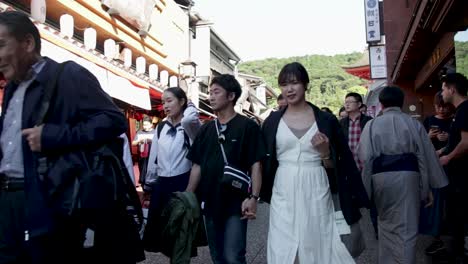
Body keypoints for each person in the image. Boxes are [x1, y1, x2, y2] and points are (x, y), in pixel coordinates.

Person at [0, 11, 128, 264]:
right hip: (8, 200)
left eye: (1, 45)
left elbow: (113, 120)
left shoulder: (67, 76)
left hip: (49, 202)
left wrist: (53, 136)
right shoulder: (13, 86)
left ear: (27, 43)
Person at [261, 62, 369, 263]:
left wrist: (325, 153)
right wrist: (253, 195)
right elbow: (261, 160)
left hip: (316, 185)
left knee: (316, 241)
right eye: (284, 84)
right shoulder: (273, 121)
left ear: (306, 84)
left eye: (294, 83)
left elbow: (341, 163)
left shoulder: (326, 120)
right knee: (283, 245)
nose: (289, 89)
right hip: (283, 187)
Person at [358, 86, 448, 264]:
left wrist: (365, 189)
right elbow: (425, 155)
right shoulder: (413, 123)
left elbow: (365, 157)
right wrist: (428, 186)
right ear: (402, 103)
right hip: (409, 178)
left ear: (381, 104)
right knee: (407, 228)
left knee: (384, 224)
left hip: (380, 179)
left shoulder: (371, 125)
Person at [186, 74, 266, 264]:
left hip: (236, 202)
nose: (210, 97)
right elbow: (197, 164)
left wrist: (254, 197)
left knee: (233, 256)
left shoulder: (248, 126)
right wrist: (188, 195)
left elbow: (256, 164)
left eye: (216, 92)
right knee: (218, 256)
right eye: (209, 92)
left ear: (231, 96)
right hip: (211, 202)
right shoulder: (206, 129)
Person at [143, 87, 201, 253]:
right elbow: (154, 157)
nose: (165, 106)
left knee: (181, 234)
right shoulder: (161, 127)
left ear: (181, 101)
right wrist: (149, 184)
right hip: (162, 184)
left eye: (170, 101)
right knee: (164, 237)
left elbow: (189, 120)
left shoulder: (190, 125)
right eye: (163, 102)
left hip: (182, 182)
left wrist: (190, 105)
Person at [420, 91, 454, 257]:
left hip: (451, 165)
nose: (441, 110)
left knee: (451, 202)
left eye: (444, 106)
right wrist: (428, 136)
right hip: (434, 167)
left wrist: (448, 139)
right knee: (436, 202)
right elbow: (420, 144)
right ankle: (436, 236)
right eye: (438, 106)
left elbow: (459, 141)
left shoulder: (454, 120)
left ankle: (451, 235)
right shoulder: (428, 121)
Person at [439, 73, 468, 262]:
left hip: (463, 175)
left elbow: (466, 142)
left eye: (443, 89)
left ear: (452, 89)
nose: (442, 93)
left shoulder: (465, 109)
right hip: (458, 174)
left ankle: (460, 254)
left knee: (461, 214)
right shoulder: (460, 111)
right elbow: (457, 140)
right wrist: (440, 151)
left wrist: (448, 157)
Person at [132, 116, 155, 185]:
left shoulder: (155, 132)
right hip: (142, 156)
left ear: (151, 124)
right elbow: (133, 143)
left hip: (152, 156)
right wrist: (139, 140)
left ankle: (150, 186)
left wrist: (151, 141)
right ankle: (143, 186)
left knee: (151, 171)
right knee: (142, 172)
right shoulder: (140, 132)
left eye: (147, 124)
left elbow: (160, 143)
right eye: (144, 125)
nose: (145, 126)